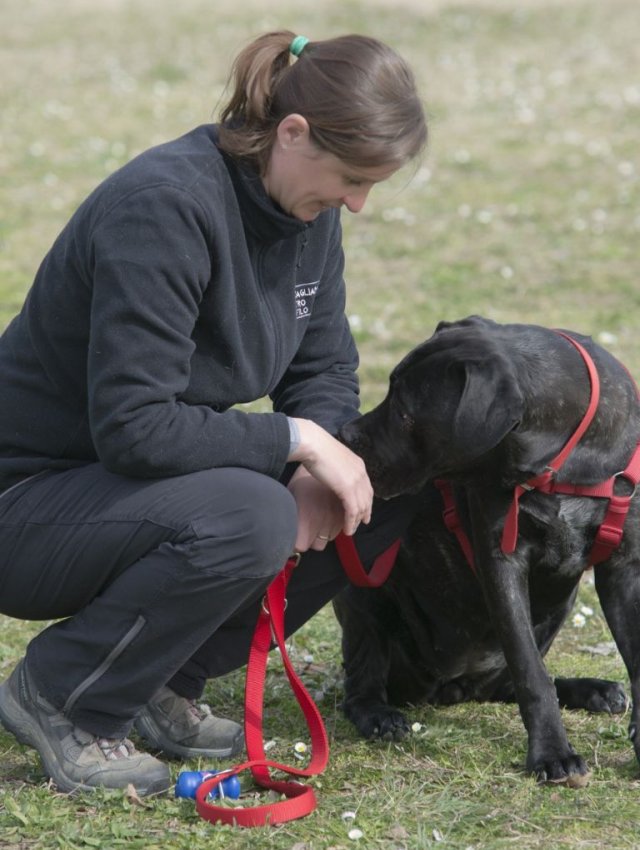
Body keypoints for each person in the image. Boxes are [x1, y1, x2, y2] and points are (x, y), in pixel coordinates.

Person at [0, 30, 427, 796]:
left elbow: (323, 364)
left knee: (375, 487)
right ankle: (66, 696)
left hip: (122, 490)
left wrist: (320, 459)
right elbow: (135, 427)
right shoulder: (163, 207)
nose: (358, 204)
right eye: (352, 178)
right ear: (291, 134)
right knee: (248, 513)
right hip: (25, 502)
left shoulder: (305, 211)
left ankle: (159, 682)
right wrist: (293, 442)